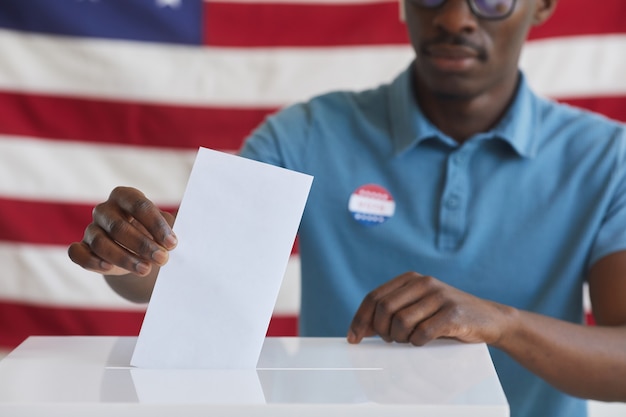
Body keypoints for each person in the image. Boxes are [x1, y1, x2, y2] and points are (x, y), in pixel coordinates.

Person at [68, 0, 626, 416]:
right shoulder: (308, 135)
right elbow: (189, 275)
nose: (456, 17)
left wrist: (502, 325)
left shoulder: (604, 157)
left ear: (544, 6)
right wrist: (131, 256)